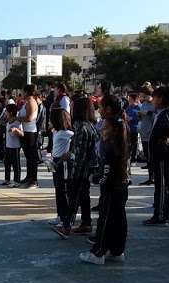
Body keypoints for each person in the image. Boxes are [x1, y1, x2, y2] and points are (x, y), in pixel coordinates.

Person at [80, 96, 130, 265]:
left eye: (104, 128)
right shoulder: (121, 131)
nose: (101, 130)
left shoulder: (110, 145)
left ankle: (98, 252)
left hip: (112, 186)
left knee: (106, 218)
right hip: (121, 184)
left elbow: (106, 172)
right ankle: (116, 250)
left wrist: (95, 178)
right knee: (119, 218)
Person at [145, 86, 169, 226]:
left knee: (163, 186)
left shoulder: (166, 115)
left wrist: (164, 141)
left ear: (161, 99)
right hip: (158, 155)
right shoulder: (160, 114)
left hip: (163, 156)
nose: (152, 100)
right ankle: (167, 212)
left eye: (155, 97)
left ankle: (161, 215)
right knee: (162, 185)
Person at [70, 97, 99, 236]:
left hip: (83, 168)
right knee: (83, 196)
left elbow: (80, 152)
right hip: (89, 167)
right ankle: (86, 222)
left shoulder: (82, 127)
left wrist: (75, 172)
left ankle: (69, 223)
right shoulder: (90, 125)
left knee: (76, 195)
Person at [49, 109, 75, 236]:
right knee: (58, 190)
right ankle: (60, 215)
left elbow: (74, 136)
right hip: (55, 160)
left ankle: (66, 220)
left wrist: (70, 152)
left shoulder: (65, 132)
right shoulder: (56, 131)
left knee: (62, 190)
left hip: (62, 162)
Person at [18, 85, 41, 188]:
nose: (22, 93)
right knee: (28, 157)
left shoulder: (31, 102)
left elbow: (30, 118)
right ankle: (29, 177)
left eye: (23, 91)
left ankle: (34, 180)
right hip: (26, 131)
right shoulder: (27, 102)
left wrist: (18, 118)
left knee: (32, 157)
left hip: (30, 132)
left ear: (27, 92)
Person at [137, 85, 156, 185]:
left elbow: (155, 115)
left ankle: (153, 177)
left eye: (144, 95)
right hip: (144, 131)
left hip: (150, 132)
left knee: (151, 156)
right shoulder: (144, 103)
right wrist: (140, 114)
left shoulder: (153, 103)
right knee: (147, 157)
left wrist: (147, 112)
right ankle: (150, 177)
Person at [1, 104, 22, 186]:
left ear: (11, 112)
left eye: (6, 111)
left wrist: (15, 130)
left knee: (16, 164)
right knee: (7, 163)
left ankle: (17, 180)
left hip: (15, 146)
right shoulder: (9, 121)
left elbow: (21, 133)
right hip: (8, 145)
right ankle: (7, 179)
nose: (5, 112)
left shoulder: (17, 122)